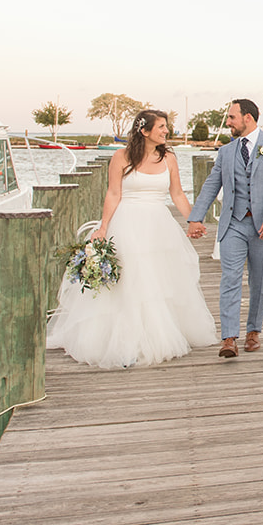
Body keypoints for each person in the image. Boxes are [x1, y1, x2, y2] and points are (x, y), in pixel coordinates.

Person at [47, 110, 218, 368]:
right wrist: (103, 227)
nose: (166, 131)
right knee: (131, 281)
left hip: (159, 224)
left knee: (157, 278)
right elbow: (113, 193)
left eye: (166, 126)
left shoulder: (169, 157)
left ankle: (158, 333)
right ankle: (126, 342)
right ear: (144, 131)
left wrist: (193, 219)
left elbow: (178, 194)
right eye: (161, 127)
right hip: (127, 222)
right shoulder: (121, 157)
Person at [187, 99, 263, 358]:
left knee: (259, 281)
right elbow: (212, 184)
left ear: (248, 118)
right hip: (233, 223)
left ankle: (254, 331)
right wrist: (195, 217)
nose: (228, 122)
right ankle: (229, 338)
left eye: (232, 117)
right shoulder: (226, 151)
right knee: (230, 279)